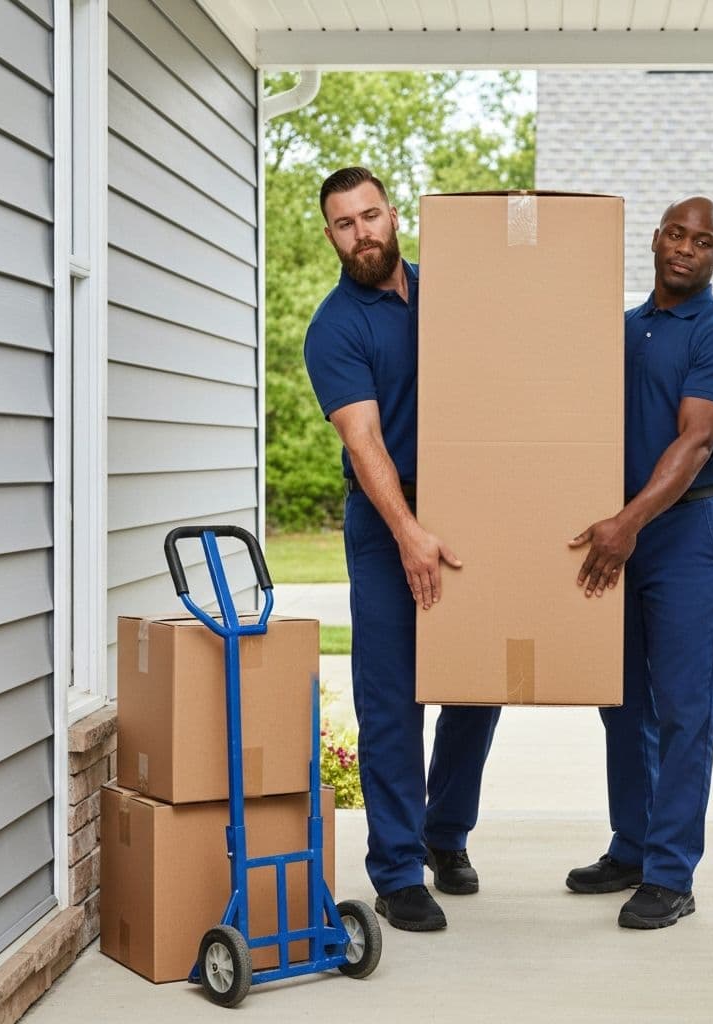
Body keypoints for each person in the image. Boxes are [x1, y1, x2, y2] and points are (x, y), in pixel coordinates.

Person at [303, 166, 501, 933]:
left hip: (468, 509)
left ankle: (444, 837)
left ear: (394, 215)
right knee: (391, 697)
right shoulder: (335, 327)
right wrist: (408, 532)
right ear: (330, 237)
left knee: (476, 684)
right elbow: (365, 441)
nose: (363, 234)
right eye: (345, 224)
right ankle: (395, 869)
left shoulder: (455, 291)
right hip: (387, 517)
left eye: (372, 215)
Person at [566, 196, 713, 929]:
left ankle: (672, 874)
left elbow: (693, 447)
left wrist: (626, 525)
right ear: (655, 239)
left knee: (684, 706)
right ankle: (634, 844)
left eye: (702, 241)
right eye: (676, 233)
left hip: (683, 532)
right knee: (621, 701)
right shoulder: (622, 331)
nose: (685, 248)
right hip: (620, 528)